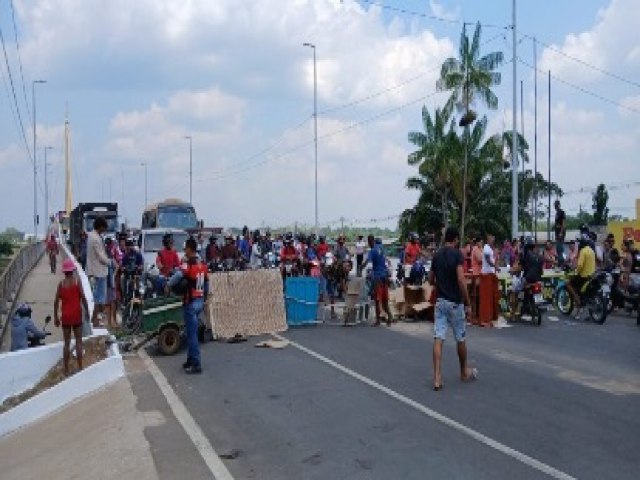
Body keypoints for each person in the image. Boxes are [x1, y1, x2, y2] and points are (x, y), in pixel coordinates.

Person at [428, 226, 477, 391]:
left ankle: (437, 378)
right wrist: (468, 303)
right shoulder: (457, 255)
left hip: (440, 302)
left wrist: (441, 283)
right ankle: (463, 372)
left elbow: (430, 280)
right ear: (455, 240)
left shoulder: (437, 255)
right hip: (455, 303)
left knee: (438, 338)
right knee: (460, 338)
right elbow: (461, 280)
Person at [167, 237, 209, 374]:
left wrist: (167, 285)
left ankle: (196, 364)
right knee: (192, 333)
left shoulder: (188, 265)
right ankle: (190, 360)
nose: (184, 251)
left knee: (192, 335)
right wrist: (205, 299)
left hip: (190, 303)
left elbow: (178, 276)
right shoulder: (202, 264)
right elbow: (207, 284)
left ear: (190, 249)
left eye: (185, 249)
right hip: (199, 301)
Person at [54, 259, 89, 375]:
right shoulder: (77, 282)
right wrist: (87, 312)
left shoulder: (61, 284)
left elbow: (55, 302)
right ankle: (80, 367)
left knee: (67, 343)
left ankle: (66, 369)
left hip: (66, 317)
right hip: (77, 315)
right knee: (79, 341)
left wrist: (55, 317)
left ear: (64, 272)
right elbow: (83, 298)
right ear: (73, 270)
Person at [361, 235, 393, 326]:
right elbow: (386, 260)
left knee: (377, 299)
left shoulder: (372, 251)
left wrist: (361, 267)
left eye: (368, 242)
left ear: (370, 242)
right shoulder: (381, 248)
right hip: (384, 276)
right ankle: (390, 316)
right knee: (385, 299)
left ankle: (378, 320)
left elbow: (368, 262)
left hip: (378, 277)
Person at [509, 237, 543, 320]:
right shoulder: (539, 255)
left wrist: (512, 271)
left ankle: (513, 315)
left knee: (514, 291)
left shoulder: (525, 255)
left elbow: (519, 268)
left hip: (527, 280)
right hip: (538, 280)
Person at [86, 218, 111, 328]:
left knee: (98, 297)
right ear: (100, 226)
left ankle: (94, 318)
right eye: (104, 228)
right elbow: (100, 256)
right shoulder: (96, 238)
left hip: (94, 270)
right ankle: (95, 320)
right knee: (99, 298)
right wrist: (110, 262)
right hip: (99, 271)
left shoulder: (91, 236)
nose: (105, 230)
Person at [566, 237, 596, 320]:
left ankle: (577, 300)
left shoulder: (583, 251)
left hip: (584, 276)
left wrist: (576, 272)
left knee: (568, 284)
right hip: (592, 276)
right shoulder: (591, 250)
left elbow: (580, 265)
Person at [554, 200, 566, 267]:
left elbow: (563, 224)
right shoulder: (557, 213)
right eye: (554, 205)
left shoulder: (562, 212)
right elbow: (557, 223)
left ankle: (562, 264)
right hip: (557, 233)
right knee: (558, 249)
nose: (555, 206)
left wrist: (561, 233)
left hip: (560, 233)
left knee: (560, 249)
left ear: (559, 205)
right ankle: (560, 263)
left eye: (556, 205)